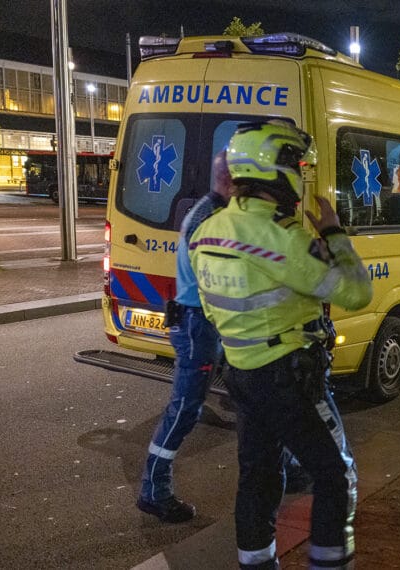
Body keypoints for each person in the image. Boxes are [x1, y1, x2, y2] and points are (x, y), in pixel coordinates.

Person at [189, 120, 372, 570]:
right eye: (297, 163)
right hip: (290, 375)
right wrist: (333, 234)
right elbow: (356, 293)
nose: (302, 173)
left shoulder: (205, 232)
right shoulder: (284, 238)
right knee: (335, 475)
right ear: (275, 169)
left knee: (258, 479)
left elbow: (213, 309)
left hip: (242, 374)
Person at [136, 153, 313, 524]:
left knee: (257, 395)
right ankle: (154, 488)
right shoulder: (211, 219)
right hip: (198, 324)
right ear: (231, 182)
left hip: (207, 321)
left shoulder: (211, 212)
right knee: (187, 406)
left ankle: (290, 465)